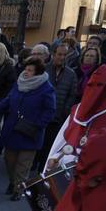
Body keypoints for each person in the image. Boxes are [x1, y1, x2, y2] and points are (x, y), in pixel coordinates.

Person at [43, 65, 106, 178]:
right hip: (68, 178)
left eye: (100, 85)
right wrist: (54, 160)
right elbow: (62, 143)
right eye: (91, 85)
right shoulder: (77, 110)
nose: (95, 89)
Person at [0, 56, 55, 200]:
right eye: (26, 69)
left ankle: (18, 189)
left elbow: (50, 110)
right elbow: (9, 100)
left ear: (38, 72)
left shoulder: (46, 88)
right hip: (13, 129)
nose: (26, 72)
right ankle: (13, 182)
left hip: (30, 132)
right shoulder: (19, 83)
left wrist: (38, 124)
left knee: (23, 165)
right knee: (10, 161)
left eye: (30, 70)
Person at [33, 42, 80, 173]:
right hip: (41, 116)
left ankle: (41, 173)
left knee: (49, 148)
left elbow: (72, 95)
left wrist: (64, 112)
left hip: (58, 118)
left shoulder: (71, 74)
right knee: (36, 146)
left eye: (64, 55)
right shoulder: (43, 70)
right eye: (59, 54)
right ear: (53, 54)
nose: (62, 57)